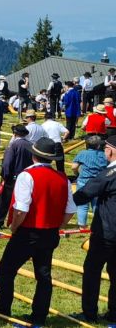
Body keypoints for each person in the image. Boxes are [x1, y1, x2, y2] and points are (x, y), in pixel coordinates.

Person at [0, 137, 76, 326]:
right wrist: (59, 225)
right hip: (49, 233)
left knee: (6, 269)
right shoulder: (62, 178)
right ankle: (39, 315)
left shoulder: (27, 175)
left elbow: (21, 208)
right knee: (44, 275)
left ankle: (3, 309)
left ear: (34, 155)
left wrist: (14, 227)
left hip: (28, 231)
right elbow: (70, 209)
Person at [72, 135, 116, 323]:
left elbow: (84, 194)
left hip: (107, 232)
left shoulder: (109, 174)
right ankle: (114, 312)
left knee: (92, 271)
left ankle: (89, 312)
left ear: (111, 150)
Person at [0, 125, 32, 229]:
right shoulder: (31, 145)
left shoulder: (13, 145)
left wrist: (4, 176)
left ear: (15, 134)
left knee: (5, 200)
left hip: (13, 177)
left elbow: (7, 163)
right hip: (27, 177)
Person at [71, 136, 108, 228]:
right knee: (97, 204)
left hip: (83, 181)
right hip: (98, 182)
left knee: (82, 205)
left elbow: (74, 167)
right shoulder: (104, 154)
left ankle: (82, 225)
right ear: (99, 146)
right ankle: (97, 225)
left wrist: (77, 174)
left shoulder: (82, 153)